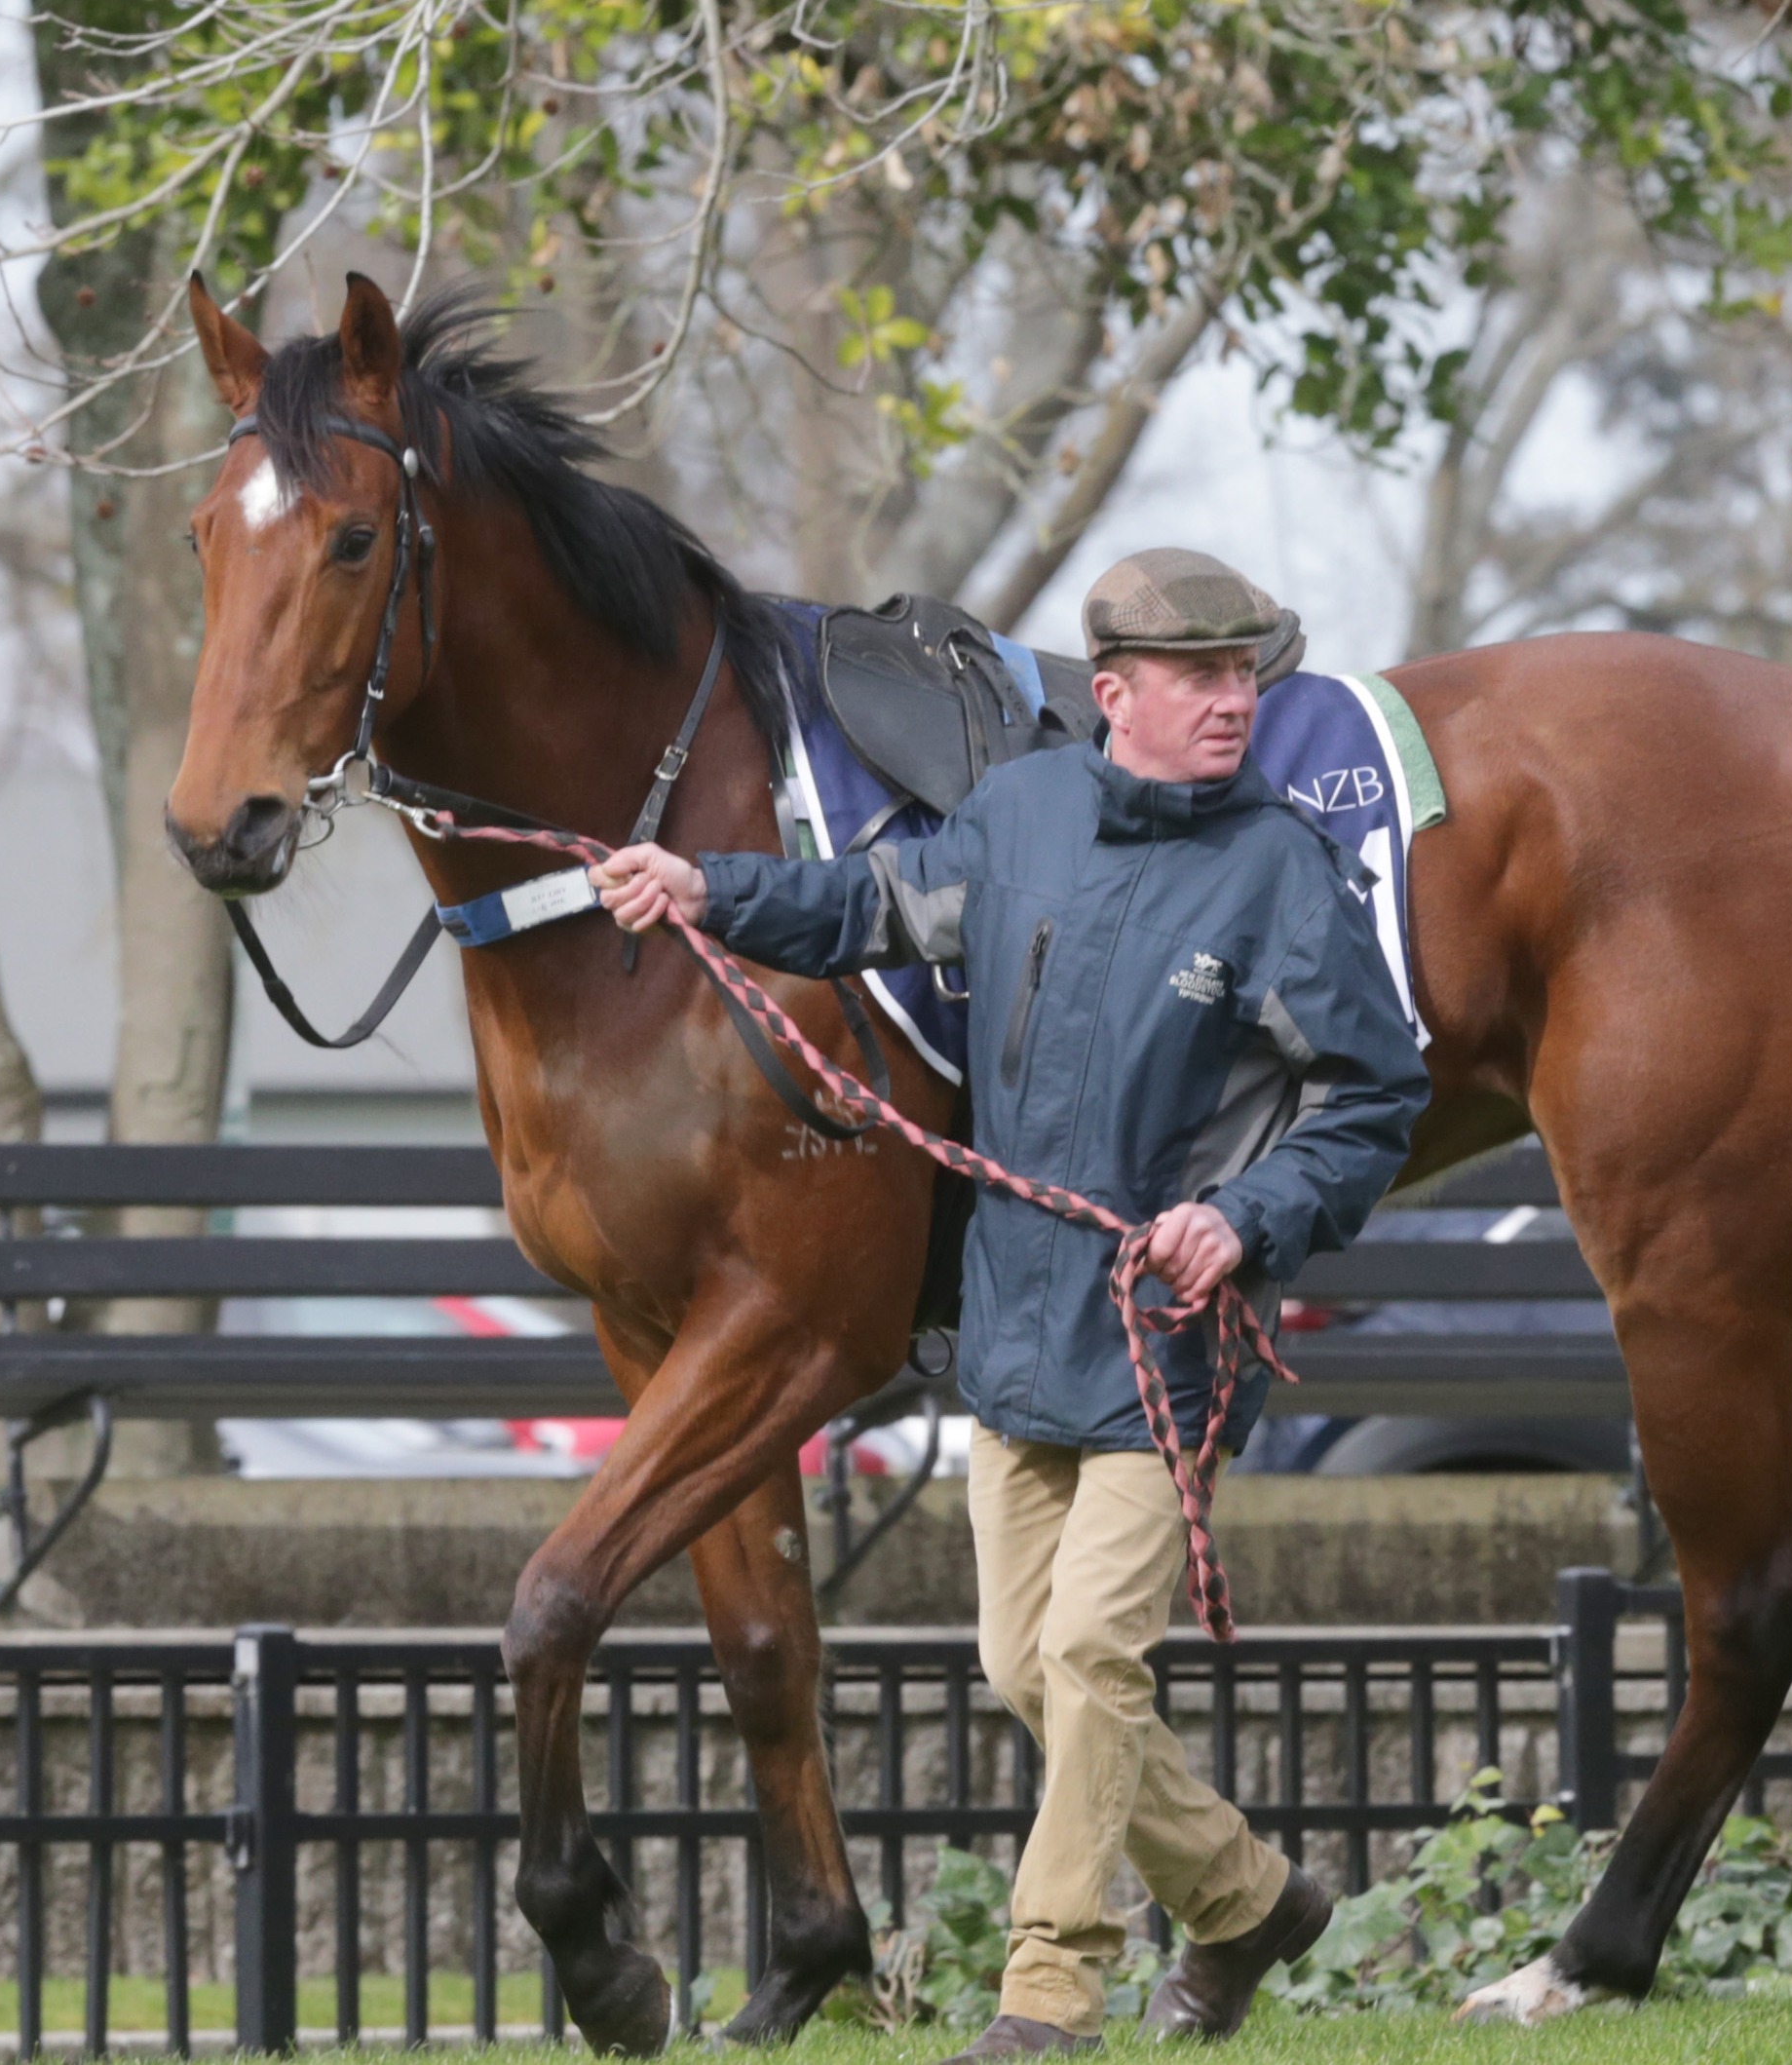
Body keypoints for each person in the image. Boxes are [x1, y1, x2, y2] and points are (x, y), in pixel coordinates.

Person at [591, 549, 1431, 2058]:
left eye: (1250, 674)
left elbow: (1373, 1098)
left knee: (1096, 1658)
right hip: (1016, 1320)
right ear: (1112, 695)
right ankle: (1247, 1901)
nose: (1237, 701)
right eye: (1203, 677)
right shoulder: (1022, 819)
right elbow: (867, 905)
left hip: (1170, 1333)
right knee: (1016, 1667)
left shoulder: (1281, 871)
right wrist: (703, 885)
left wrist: (1243, 1221)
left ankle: (1050, 1991)